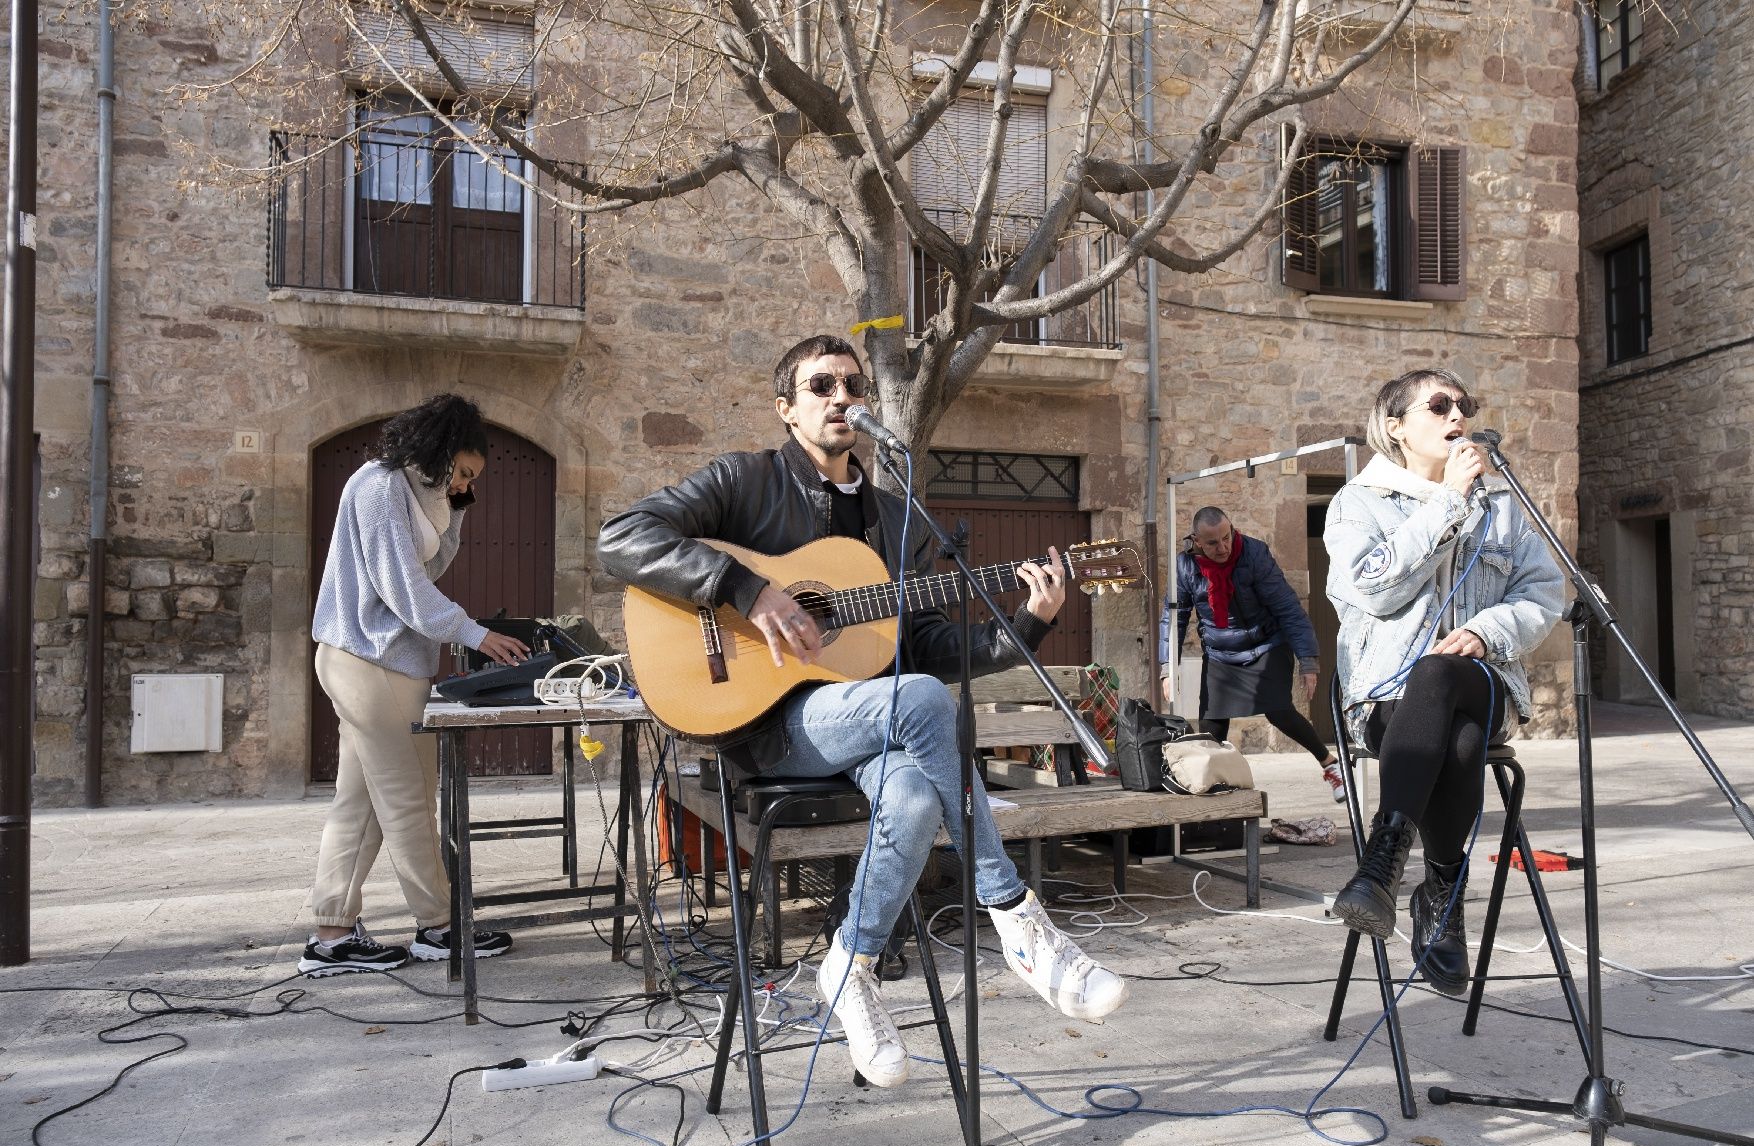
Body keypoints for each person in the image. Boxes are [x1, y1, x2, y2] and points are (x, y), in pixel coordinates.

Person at [597, 335, 1127, 1087]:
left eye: (852, 383)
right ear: (787, 409)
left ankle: (851, 962)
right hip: (769, 723)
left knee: (912, 797)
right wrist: (746, 589)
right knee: (915, 698)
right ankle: (1016, 916)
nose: (842, 395)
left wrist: (1031, 622)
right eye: (821, 385)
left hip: (863, 716)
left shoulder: (888, 513)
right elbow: (620, 537)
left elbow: (927, 644)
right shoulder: (744, 482)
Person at [1324, 369, 1562, 995]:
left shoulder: (1503, 504)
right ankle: (1442, 890)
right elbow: (1372, 589)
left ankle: (1380, 866)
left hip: (1483, 682)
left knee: (1445, 675)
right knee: (1456, 740)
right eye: (1438, 405)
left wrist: (1489, 631)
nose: (1457, 414)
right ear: (1395, 427)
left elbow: (1543, 593)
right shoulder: (1358, 503)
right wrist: (1447, 505)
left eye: (1464, 405)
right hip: (1387, 700)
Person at [301, 394, 532, 976]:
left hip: (383, 662)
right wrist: (476, 635)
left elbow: (429, 569)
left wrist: (456, 508)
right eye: (463, 472)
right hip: (371, 660)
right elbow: (403, 589)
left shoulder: (417, 495)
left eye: (473, 478)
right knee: (407, 799)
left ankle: (330, 935)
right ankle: (440, 927)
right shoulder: (379, 485)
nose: (465, 483)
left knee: (361, 804)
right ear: (436, 450)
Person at [1158, 507, 1345, 800]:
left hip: (1266, 643)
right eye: (1212, 543)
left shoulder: (1253, 554)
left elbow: (1287, 607)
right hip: (1221, 653)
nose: (1222, 547)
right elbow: (1174, 618)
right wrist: (1168, 666)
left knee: (1279, 711)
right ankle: (1213, 795)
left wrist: (1307, 661)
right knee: (1211, 728)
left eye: (1226, 537)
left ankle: (1331, 765)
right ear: (1196, 541)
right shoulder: (1185, 567)